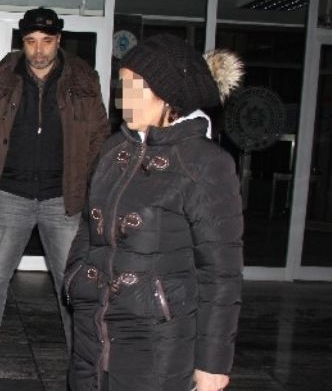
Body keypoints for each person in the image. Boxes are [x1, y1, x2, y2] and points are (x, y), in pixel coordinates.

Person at [64, 34, 244, 391]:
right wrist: (76, 280)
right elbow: (88, 227)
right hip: (92, 331)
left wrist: (212, 364)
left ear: (169, 96)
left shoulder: (206, 163)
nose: (124, 98)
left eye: (137, 87)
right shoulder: (114, 149)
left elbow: (220, 273)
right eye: (123, 85)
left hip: (157, 341)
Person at [0, 7, 110, 363]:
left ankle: (81, 350)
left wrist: (95, 190)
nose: (39, 50)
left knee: (70, 281)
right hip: (11, 193)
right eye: (31, 41)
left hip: (63, 197)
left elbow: (98, 139)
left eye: (46, 41)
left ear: (59, 40)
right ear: (22, 42)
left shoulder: (84, 79)